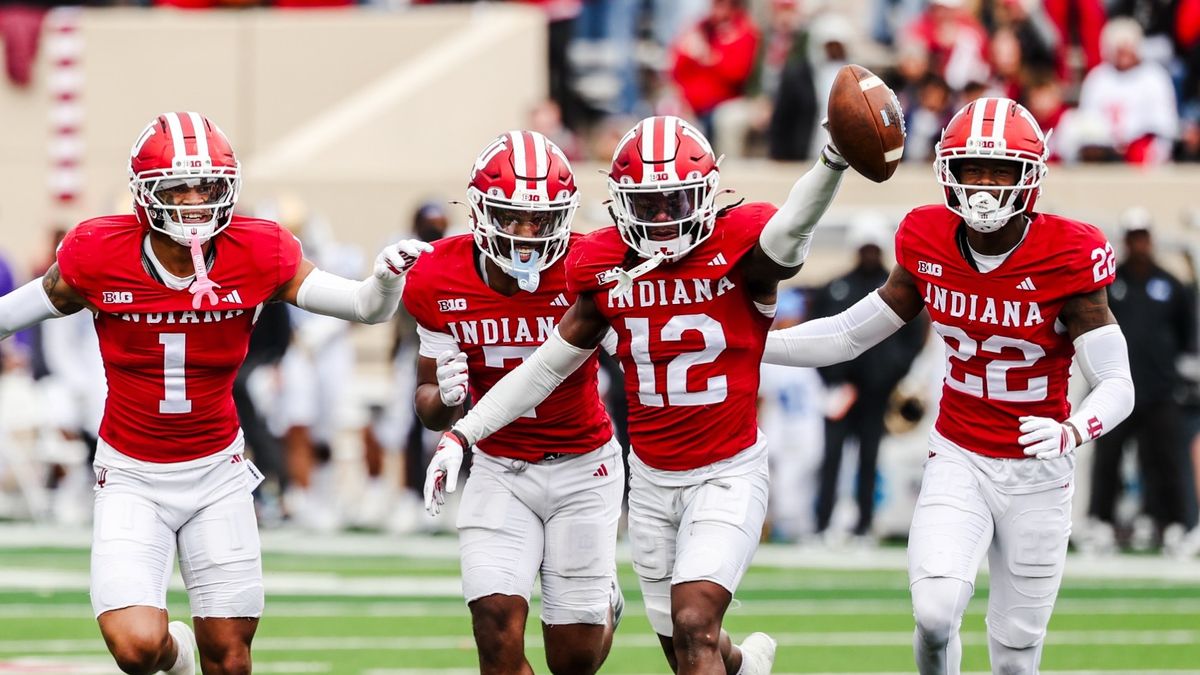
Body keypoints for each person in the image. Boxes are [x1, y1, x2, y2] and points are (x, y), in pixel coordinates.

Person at [0, 111, 431, 675]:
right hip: (131, 473)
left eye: (208, 185)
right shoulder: (98, 252)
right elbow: (11, 314)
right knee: (136, 648)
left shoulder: (258, 250)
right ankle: (174, 657)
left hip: (216, 473)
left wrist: (385, 280)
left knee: (230, 658)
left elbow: (363, 309)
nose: (197, 200)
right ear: (145, 194)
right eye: (179, 186)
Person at [426, 114, 852, 674]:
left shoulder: (741, 244)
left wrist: (832, 161)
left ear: (704, 195)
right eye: (646, 204)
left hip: (727, 470)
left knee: (695, 622)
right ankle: (744, 666)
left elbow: (793, 226)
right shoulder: (602, 264)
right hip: (651, 479)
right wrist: (462, 433)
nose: (660, 219)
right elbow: (545, 367)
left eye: (673, 203)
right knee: (687, 643)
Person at [759, 97, 1135, 674]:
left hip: (1038, 472)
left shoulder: (1068, 253)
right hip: (959, 454)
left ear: (1029, 176)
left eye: (1000, 169)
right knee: (934, 614)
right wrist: (754, 344)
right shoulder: (926, 236)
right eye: (972, 169)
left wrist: (1071, 430)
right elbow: (850, 334)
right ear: (947, 171)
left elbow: (1116, 382)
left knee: (1015, 658)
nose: (984, 184)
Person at [408, 130, 623, 675]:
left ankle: (605, 606)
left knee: (573, 660)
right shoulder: (437, 273)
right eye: (512, 218)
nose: (527, 235)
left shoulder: (586, 263)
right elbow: (427, 403)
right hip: (499, 467)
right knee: (496, 634)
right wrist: (447, 397)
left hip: (582, 464)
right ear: (480, 213)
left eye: (542, 221)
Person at [808, 215, 926, 544]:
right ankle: (822, 524)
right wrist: (831, 375)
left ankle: (863, 525)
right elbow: (814, 332)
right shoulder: (835, 287)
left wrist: (890, 375)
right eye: (865, 248)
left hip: (877, 393)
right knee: (830, 457)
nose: (870, 254)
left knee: (869, 458)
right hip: (839, 391)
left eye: (875, 248)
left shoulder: (900, 291)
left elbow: (914, 337)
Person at [1087, 209, 1197, 551]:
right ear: (1125, 241)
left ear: (1150, 240)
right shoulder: (1109, 284)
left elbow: (1185, 334)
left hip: (1160, 389)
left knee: (1167, 459)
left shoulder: (1171, 284)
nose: (1139, 244)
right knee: (1108, 458)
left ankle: (1175, 524)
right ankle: (1101, 522)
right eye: (1132, 237)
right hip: (1114, 388)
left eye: (1143, 237)